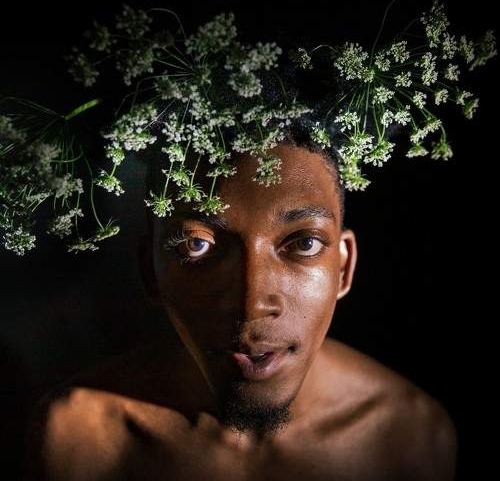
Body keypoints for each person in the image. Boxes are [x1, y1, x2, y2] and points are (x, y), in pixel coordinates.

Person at [23, 129, 457, 480]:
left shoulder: (411, 440)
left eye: (303, 243)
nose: (251, 305)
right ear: (150, 271)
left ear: (343, 269)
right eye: (196, 245)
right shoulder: (76, 438)